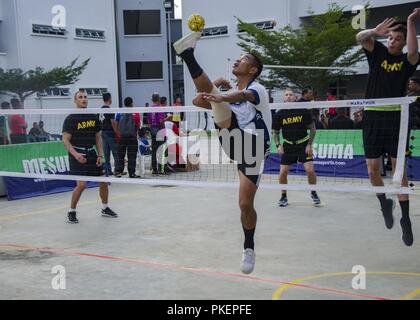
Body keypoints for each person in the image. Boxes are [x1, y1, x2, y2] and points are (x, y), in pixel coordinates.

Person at [174, 31, 271, 274]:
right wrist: (216, 84)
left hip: (254, 148)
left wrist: (221, 94)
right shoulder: (226, 95)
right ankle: (187, 54)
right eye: (238, 57)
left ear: (253, 70)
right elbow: (198, 101)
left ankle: (249, 246)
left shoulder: (258, 88)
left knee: (244, 205)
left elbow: (242, 95)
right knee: (217, 103)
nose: (238, 60)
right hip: (231, 138)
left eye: (245, 58)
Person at [356, 11, 420, 246]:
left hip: (395, 118)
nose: (392, 41)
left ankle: (405, 219)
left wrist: (411, 21)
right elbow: (359, 37)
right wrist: (374, 32)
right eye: (390, 38)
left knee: (398, 171)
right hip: (372, 117)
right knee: (373, 170)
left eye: (397, 39)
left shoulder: (406, 62)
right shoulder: (377, 52)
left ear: (403, 43)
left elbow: (414, 53)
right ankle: (384, 203)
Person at [62, 90, 118, 224]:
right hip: (77, 154)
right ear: (75, 101)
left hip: (92, 154)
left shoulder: (93, 116)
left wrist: (100, 154)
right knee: (82, 185)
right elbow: (65, 140)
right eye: (80, 97)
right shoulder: (71, 118)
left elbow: (98, 138)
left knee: (104, 181)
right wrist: (75, 155)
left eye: (85, 97)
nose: (83, 99)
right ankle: (71, 211)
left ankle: (105, 208)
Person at [272, 88, 321, 207]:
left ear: (295, 97)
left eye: (291, 95)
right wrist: (278, 146)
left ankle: (313, 192)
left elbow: (313, 129)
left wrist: (309, 144)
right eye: (286, 95)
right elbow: (275, 132)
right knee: (282, 172)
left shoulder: (303, 110)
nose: (288, 96)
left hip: (304, 144)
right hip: (288, 146)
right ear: (283, 98)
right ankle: (283, 196)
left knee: (310, 170)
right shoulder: (280, 114)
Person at [115, 97, 141, 178]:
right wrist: (135, 132)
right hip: (132, 137)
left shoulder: (119, 112)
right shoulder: (136, 113)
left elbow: (116, 123)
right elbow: (137, 125)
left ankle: (119, 171)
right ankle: (132, 173)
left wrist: (118, 133)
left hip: (121, 137)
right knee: (132, 155)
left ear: (124, 103)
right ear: (132, 103)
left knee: (120, 155)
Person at [99, 93, 119, 176]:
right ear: (110, 99)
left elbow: (99, 122)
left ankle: (108, 171)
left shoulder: (100, 110)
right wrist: (117, 132)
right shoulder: (109, 110)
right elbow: (113, 122)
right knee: (115, 152)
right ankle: (117, 170)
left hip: (103, 133)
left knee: (106, 153)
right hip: (110, 132)